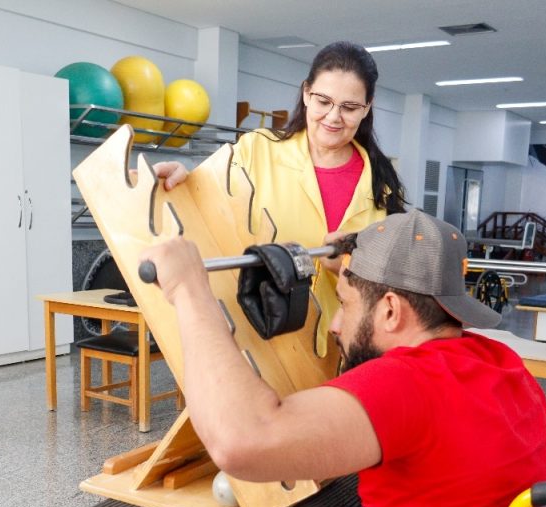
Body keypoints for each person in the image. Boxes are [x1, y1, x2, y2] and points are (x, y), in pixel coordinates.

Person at [135, 209, 546, 507]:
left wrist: (188, 290)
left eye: (346, 303)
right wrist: (355, 271)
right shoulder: (498, 361)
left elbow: (242, 442)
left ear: (391, 311)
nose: (336, 325)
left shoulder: (408, 385)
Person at [153, 41, 406, 358]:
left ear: (367, 108)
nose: (333, 116)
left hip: (346, 349)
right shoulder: (256, 151)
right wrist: (183, 179)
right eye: (323, 101)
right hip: (261, 343)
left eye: (349, 107)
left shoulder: (382, 184)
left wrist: (343, 266)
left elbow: (391, 284)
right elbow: (206, 201)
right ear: (306, 93)